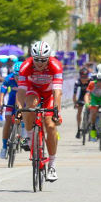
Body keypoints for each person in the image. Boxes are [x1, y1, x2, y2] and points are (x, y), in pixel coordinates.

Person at [16, 41, 62, 182]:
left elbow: (57, 91)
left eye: (43, 60)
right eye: (37, 59)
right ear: (32, 58)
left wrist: (56, 112)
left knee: (50, 125)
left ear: (48, 58)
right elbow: (22, 90)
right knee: (28, 106)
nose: (40, 63)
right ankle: (30, 136)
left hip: (49, 94)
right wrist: (19, 108)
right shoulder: (26, 66)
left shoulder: (55, 65)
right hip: (33, 91)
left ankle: (52, 165)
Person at [0, 61, 22, 159]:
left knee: (25, 117)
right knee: (7, 119)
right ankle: (4, 147)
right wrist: (0, 105)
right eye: (16, 75)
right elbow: (2, 93)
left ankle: (23, 136)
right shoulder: (9, 78)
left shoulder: (26, 79)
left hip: (22, 101)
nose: (18, 78)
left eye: (20, 76)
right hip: (11, 101)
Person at [73, 67, 90, 138]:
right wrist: (75, 103)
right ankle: (79, 128)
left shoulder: (91, 81)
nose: (84, 79)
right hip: (81, 97)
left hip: (89, 97)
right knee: (79, 112)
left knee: (90, 110)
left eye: (85, 77)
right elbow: (74, 94)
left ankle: (89, 125)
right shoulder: (78, 82)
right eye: (82, 77)